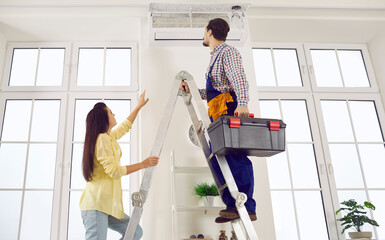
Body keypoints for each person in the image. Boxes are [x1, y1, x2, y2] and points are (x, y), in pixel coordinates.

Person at [180, 18, 256, 223]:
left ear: (209, 32)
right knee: (219, 158)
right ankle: (233, 205)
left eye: (205, 32)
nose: (204, 35)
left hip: (229, 111)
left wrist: (243, 103)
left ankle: (247, 206)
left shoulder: (228, 52)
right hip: (217, 113)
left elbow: (239, 78)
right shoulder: (215, 57)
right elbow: (217, 91)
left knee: (235, 157)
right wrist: (194, 91)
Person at [79, 91, 159, 240]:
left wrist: (138, 107)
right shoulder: (102, 139)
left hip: (106, 206)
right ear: (104, 118)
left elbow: (124, 127)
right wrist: (143, 164)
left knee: (134, 231)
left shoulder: (108, 138)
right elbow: (114, 171)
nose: (114, 114)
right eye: (110, 112)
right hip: (96, 205)